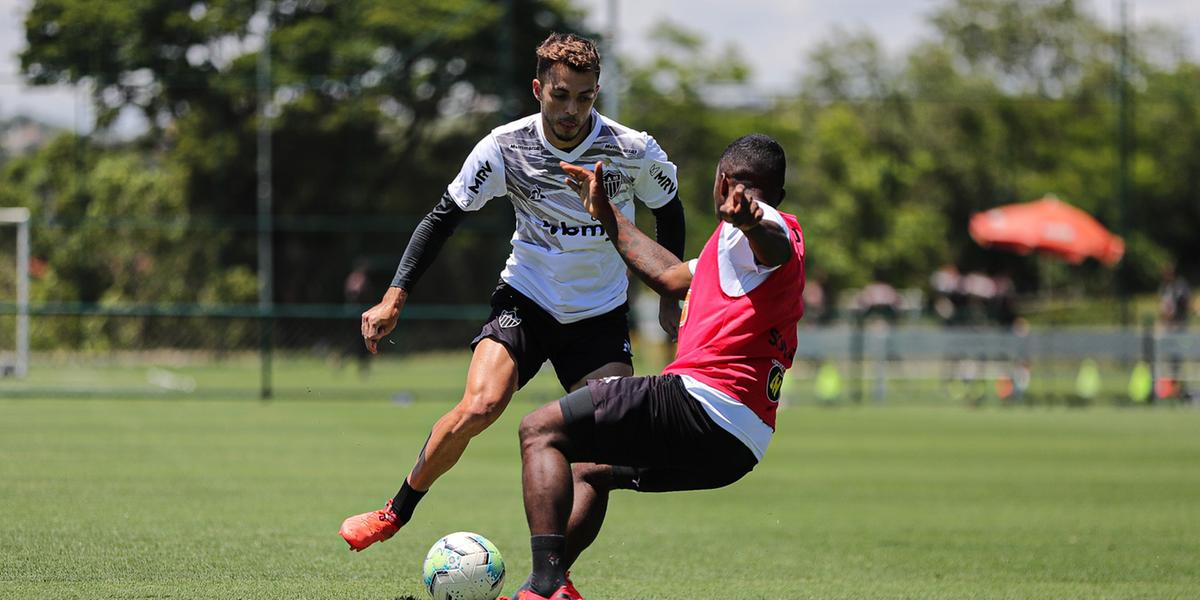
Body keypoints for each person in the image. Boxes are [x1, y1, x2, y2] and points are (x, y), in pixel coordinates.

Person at [338, 33, 685, 551]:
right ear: (537, 88)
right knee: (481, 405)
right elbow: (441, 219)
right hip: (526, 299)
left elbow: (669, 208)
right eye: (561, 94)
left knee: (601, 449)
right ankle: (396, 510)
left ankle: (550, 578)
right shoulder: (504, 146)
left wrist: (668, 294)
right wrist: (395, 295)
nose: (573, 110)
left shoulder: (631, 149)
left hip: (600, 315)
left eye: (586, 97)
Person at [500, 134, 805, 600]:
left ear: (722, 181)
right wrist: (605, 211)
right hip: (739, 446)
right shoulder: (733, 252)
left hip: (701, 403)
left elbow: (774, 242)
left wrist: (750, 220)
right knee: (591, 468)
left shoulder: (772, 228)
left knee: (538, 430)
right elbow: (667, 275)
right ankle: (552, 587)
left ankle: (542, 586)